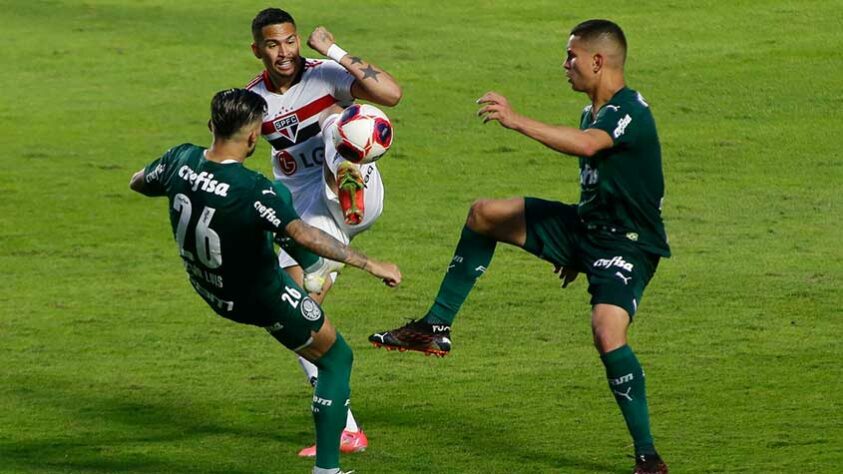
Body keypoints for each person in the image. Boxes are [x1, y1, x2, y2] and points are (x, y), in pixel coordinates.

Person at [368, 20, 669, 474]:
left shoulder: (628, 112)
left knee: (608, 333)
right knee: (485, 215)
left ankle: (647, 456)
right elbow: (601, 180)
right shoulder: (595, 110)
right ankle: (435, 327)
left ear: (597, 61)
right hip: (588, 231)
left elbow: (587, 148)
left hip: (627, 244)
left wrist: (514, 119)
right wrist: (573, 253)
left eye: (572, 56)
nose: (565, 65)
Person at [129, 88, 401, 474]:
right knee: (337, 359)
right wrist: (369, 263)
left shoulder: (180, 158)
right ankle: (329, 469)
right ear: (255, 137)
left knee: (275, 231)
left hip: (209, 287)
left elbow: (139, 181)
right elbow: (304, 234)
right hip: (261, 296)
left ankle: (313, 271)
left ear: (211, 126)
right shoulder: (254, 189)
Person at [245, 7, 403, 456]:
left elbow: (391, 94)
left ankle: (346, 175)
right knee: (292, 315)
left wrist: (332, 48)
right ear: (258, 50)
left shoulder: (326, 73)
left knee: (343, 122)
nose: (284, 52)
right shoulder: (253, 100)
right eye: (273, 45)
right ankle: (346, 429)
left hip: (353, 198)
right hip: (308, 212)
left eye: (290, 41)